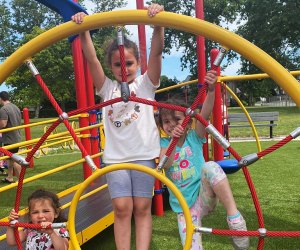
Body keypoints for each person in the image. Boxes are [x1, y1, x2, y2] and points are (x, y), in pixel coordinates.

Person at [72, 3, 164, 250]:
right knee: (122, 208)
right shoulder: (107, 89)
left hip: (144, 155)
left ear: (138, 63)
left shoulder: (146, 84)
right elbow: (91, 58)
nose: (124, 70)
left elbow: (156, 54)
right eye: (117, 65)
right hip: (116, 158)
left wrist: (158, 27)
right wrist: (85, 29)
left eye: (130, 63)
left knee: (142, 207)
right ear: (111, 67)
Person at [158, 72, 250, 250]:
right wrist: (173, 142)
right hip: (184, 209)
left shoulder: (195, 136)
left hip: (203, 197)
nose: (171, 125)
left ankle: (235, 219)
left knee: (211, 166)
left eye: (176, 119)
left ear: (188, 120)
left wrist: (211, 90)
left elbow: (205, 112)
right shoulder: (163, 143)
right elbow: (165, 164)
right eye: (166, 121)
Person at [0, 91, 22, 184]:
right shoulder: (15, 107)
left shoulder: (3, 109)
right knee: (9, 159)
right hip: (16, 136)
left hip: (10, 138)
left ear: (1, 98)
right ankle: (9, 177)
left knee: (14, 159)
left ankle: (20, 180)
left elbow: (3, 124)